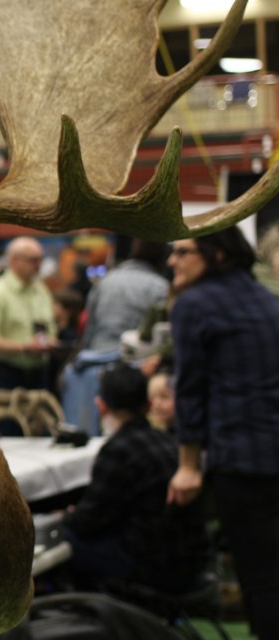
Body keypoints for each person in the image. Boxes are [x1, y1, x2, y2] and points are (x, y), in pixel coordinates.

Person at [166, 226, 279, 639]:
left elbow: (191, 389)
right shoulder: (267, 300)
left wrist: (187, 466)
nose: (172, 261)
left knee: (261, 575)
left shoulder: (194, 304)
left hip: (240, 459)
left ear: (215, 255)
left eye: (183, 252)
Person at [63, 365, 210, 594]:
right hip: (191, 563)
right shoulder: (170, 444)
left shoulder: (119, 449)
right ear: (149, 404)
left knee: (64, 541)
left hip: (150, 568)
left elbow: (87, 522)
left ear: (101, 406)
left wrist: (66, 516)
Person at [61, 240, 169, 434]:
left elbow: (88, 328)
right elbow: (157, 337)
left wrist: (74, 361)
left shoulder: (107, 280)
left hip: (90, 365)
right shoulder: (159, 286)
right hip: (130, 369)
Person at [0, 236, 57, 393]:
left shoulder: (42, 291)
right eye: (33, 260)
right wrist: (25, 347)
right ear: (13, 261)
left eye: (40, 259)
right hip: (5, 375)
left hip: (39, 375)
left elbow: (50, 329)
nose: (38, 265)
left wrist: (50, 343)